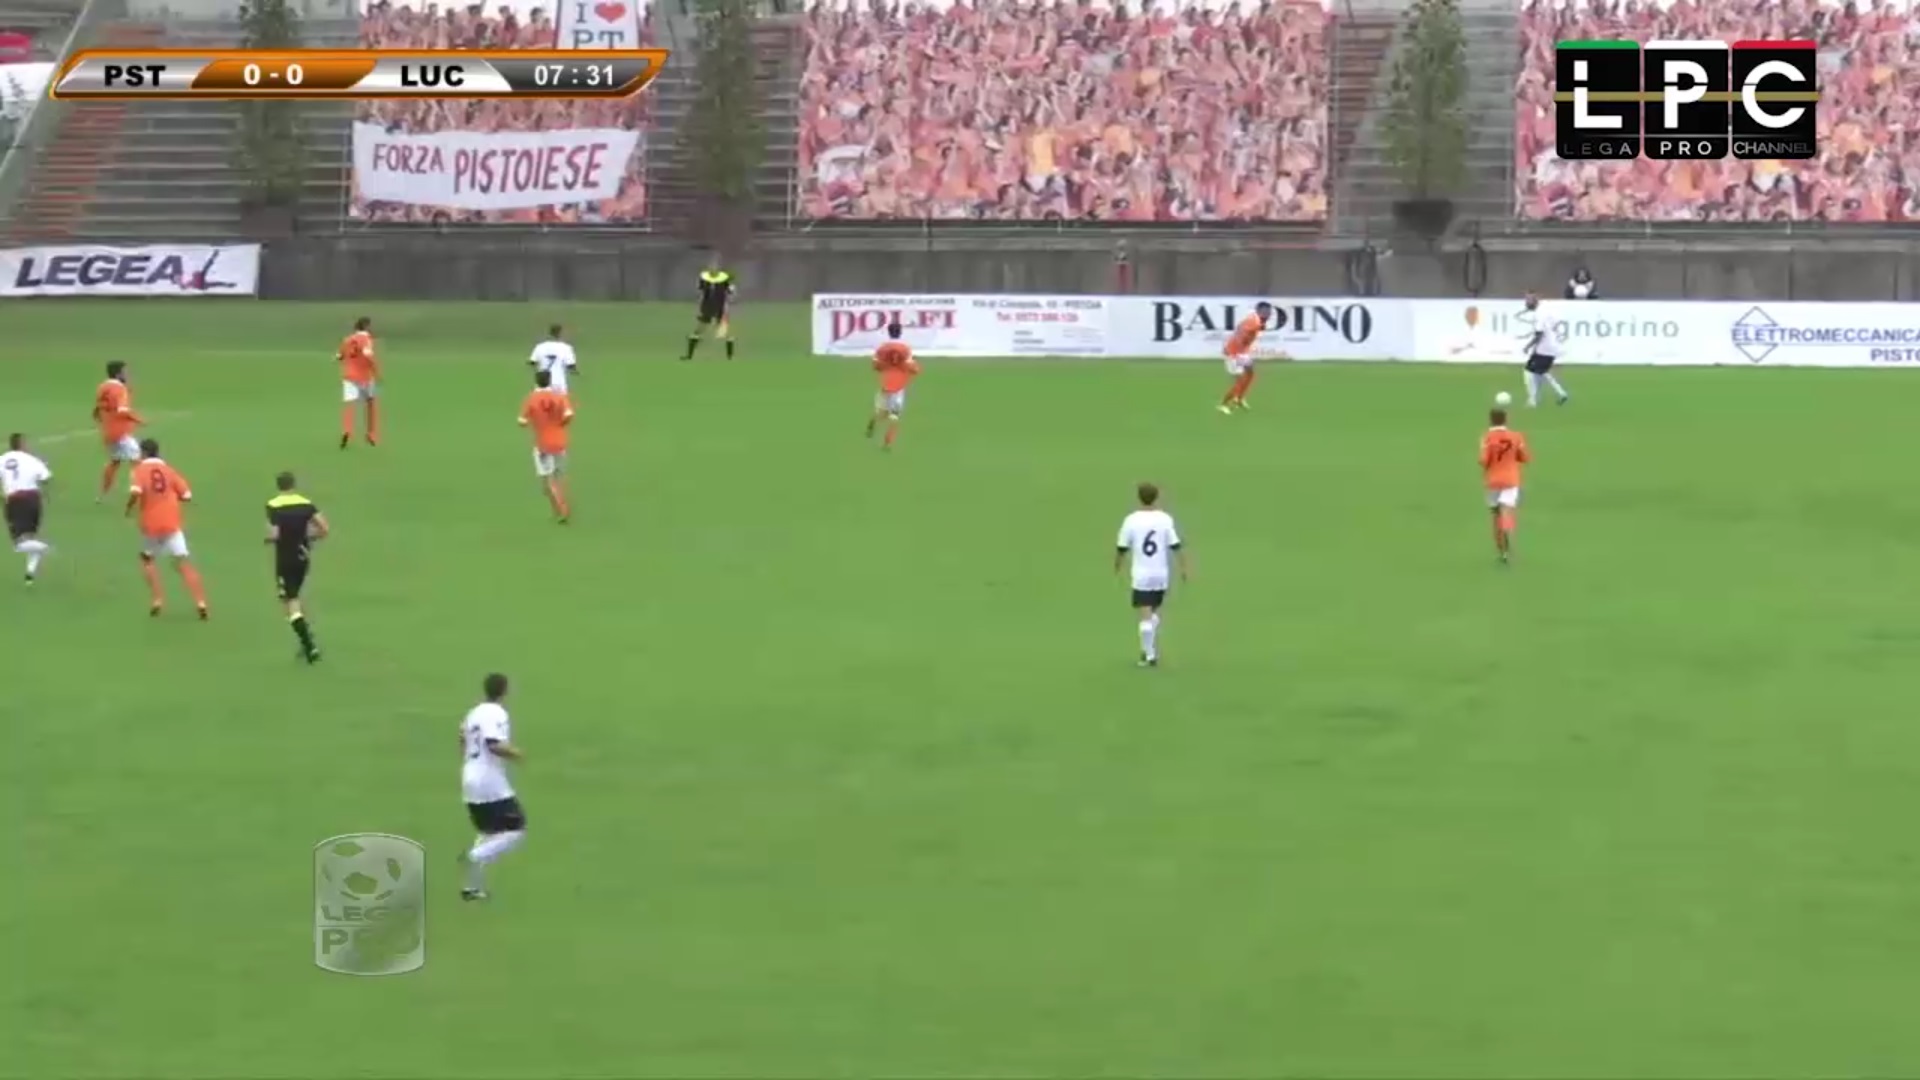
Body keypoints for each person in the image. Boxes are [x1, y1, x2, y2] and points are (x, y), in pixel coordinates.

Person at [459, 672, 527, 902]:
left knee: (489, 832)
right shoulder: (496, 713)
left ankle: (471, 888)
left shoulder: (473, 713)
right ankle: (474, 856)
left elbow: (462, 737)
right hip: (489, 780)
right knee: (515, 828)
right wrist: (516, 754)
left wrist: (468, 762)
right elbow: (493, 744)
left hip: (469, 776)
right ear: (505, 690)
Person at [126, 438, 208, 618]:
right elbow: (187, 495)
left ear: (144, 453)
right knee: (183, 563)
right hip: (172, 523)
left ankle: (157, 599)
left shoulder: (139, 470)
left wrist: (129, 508)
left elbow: (135, 492)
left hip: (151, 524)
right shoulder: (169, 470)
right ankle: (201, 602)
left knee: (147, 559)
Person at [1114, 482, 1188, 667]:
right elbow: (1176, 546)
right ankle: (1149, 650)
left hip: (1141, 575)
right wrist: (1184, 568)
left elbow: (1122, 547)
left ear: (1139, 498)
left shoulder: (1131, 520)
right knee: (1152, 614)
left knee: (1145, 616)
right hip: (1161, 574)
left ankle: (1149, 656)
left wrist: (1117, 566)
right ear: (1156, 497)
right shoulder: (1164, 519)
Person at [266, 471, 330, 663]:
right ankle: (306, 642)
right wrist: (306, 537)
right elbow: (324, 529)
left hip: (285, 559)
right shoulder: (306, 504)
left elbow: (275, 534)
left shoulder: (273, 505)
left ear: (278, 486)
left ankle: (310, 646)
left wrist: (269, 539)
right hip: (303, 557)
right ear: (293, 485)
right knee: (296, 598)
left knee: (290, 603)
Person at [518, 369, 574, 523]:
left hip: (543, 445)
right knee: (557, 478)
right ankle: (557, 512)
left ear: (536, 381)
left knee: (547, 482)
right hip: (560, 443)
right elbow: (569, 414)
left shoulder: (531, 398)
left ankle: (562, 510)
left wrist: (533, 422)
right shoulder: (559, 396)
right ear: (549, 381)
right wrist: (560, 425)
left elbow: (522, 421)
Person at [1479, 407, 1531, 565]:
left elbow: (1483, 461)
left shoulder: (1487, 438)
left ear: (1490, 420)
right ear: (1506, 419)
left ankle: (1502, 551)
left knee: (1495, 517)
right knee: (1507, 512)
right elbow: (1525, 457)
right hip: (1511, 480)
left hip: (1493, 482)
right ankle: (1508, 537)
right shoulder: (1516, 436)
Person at [1, 433, 53, 584]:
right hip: (33, 500)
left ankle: (48, 548)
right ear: (22, 444)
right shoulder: (32, 459)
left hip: (15, 501)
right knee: (30, 540)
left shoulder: (2, 459)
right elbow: (46, 478)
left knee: (19, 545)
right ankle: (29, 575)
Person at [92, 360, 143, 500]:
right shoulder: (120, 389)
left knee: (115, 461)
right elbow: (122, 411)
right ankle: (137, 493)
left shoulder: (102, 387)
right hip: (121, 433)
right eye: (125, 372)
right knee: (137, 461)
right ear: (118, 374)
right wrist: (139, 420)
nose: (128, 374)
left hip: (108, 433)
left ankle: (102, 495)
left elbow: (98, 408)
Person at [866, 324, 919, 450]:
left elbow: (875, 366)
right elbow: (911, 367)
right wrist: (914, 369)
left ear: (888, 332)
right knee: (894, 416)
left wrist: (886, 368)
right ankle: (887, 443)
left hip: (886, 384)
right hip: (898, 386)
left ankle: (872, 423)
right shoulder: (906, 348)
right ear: (900, 332)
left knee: (882, 412)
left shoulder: (882, 348)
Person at [1220, 301, 1273, 414]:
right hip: (1233, 354)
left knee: (1251, 374)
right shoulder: (1254, 322)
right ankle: (1223, 404)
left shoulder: (1255, 319)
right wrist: (1256, 328)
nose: (1268, 314)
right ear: (1259, 311)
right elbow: (1245, 331)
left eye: (1269, 312)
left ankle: (1239, 399)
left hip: (1242, 353)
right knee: (1239, 382)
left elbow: (1243, 330)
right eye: (1265, 311)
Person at [1518, 293, 1571, 407]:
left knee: (1529, 371)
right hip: (1551, 347)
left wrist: (1528, 346)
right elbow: (1555, 322)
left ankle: (1533, 400)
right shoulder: (1546, 309)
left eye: (1528, 301)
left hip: (1544, 348)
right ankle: (1561, 393)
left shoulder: (1539, 314)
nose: (1526, 304)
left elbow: (1539, 334)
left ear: (1535, 300)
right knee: (1541, 372)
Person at [682, 255, 735, 361]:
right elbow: (700, 293)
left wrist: (729, 300)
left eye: (715, 266)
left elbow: (731, 292)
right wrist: (699, 306)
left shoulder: (724, 279)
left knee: (724, 333)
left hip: (720, 308)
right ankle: (689, 356)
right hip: (707, 307)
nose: (712, 268)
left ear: (718, 268)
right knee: (698, 331)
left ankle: (730, 357)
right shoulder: (704, 278)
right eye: (711, 266)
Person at [339, 316, 380, 448]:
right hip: (365, 377)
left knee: (349, 404)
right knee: (371, 403)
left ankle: (347, 430)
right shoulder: (366, 339)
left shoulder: (348, 339)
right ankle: (371, 434)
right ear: (367, 326)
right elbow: (368, 355)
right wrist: (376, 371)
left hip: (349, 377)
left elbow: (340, 355)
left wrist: (337, 358)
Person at [529, 323, 578, 394]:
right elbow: (571, 366)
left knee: (541, 401)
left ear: (550, 333)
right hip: (559, 384)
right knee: (560, 401)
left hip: (543, 383)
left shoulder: (540, 346)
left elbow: (532, 363)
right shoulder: (566, 348)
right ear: (560, 334)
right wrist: (575, 372)